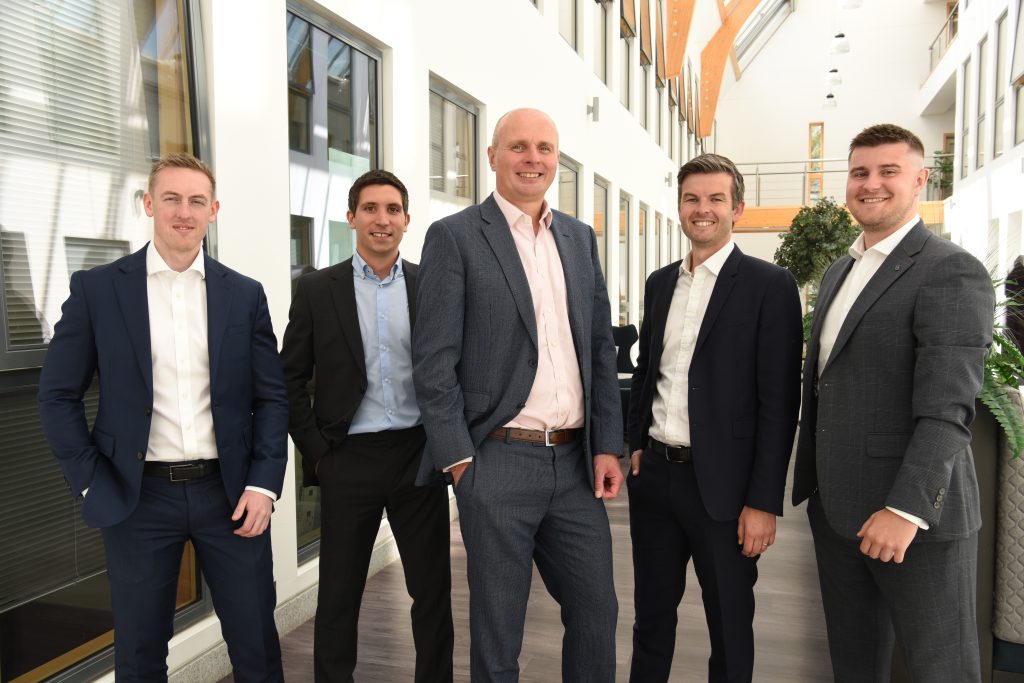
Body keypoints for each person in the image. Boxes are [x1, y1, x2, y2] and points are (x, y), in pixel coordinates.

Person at [37, 153, 287, 682]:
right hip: (137, 499)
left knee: (256, 645)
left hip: (232, 494)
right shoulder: (98, 290)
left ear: (213, 210)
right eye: (171, 198)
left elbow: (271, 398)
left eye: (196, 201)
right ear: (148, 204)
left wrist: (264, 485)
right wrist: (90, 483)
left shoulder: (244, 295)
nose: (183, 211)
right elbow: (57, 395)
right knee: (139, 653)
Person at [412, 107, 623, 682]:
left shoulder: (578, 238)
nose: (533, 159)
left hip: (576, 464)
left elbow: (599, 348)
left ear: (558, 159)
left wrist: (607, 443)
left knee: (597, 610)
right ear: (492, 157)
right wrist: (460, 460)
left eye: (545, 148)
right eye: (519, 147)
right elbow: (433, 362)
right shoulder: (454, 237)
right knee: (498, 624)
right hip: (497, 459)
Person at [792, 123, 994, 682]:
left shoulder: (949, 269)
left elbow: (949, 409)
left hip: (913, 523)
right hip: (838, 515)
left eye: (888, 171)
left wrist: (904, 511)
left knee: (941, 668)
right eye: (860, 172)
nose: (871, 184)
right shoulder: (840, 271)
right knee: (854, 666)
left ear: (920, 181)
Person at [625, 154, 802, 682]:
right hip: (654, 478)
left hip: (725, 491)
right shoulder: (660, 284)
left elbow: (779, 404)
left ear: (737, 209)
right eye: (691, 199)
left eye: (715, 199)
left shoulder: (769, 286)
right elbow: (646, 372)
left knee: (729, 623)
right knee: (650, 618)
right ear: (679, 206)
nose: (702, 210)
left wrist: (763, 502)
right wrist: (634, 442)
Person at [280, 169, 454, 683]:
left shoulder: (433, 287)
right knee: (338, 594)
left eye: (393, 210)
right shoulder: (315, 289)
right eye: (371, 209)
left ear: (406, 220)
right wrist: (318, 454)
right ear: (352, 216)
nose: (383, 219)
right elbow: (287, 379)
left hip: (417, 456)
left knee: (432, 591)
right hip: (347, 459)